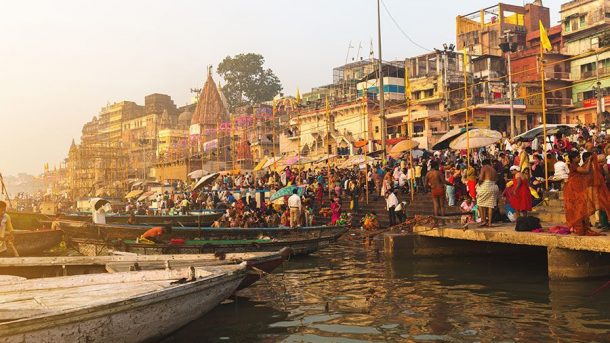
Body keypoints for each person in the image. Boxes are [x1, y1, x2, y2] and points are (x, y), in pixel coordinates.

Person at [564, 150, 610, 236]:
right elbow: (586, 171)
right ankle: (577, 227)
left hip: (576, 189)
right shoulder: (574, 165)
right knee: (578, 208)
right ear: (573, 159)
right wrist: (589, 160)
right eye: (577, 157)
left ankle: (581, 226)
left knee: (580, 208)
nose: (579, 158)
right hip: (572, 189)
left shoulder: (576, 165)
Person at [475, 159, 499, 227]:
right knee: (490, 205)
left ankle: (483, 221)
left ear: (483, 164)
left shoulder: (484, 167)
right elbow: (496, 179)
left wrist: (479, 183)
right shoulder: (493, 169)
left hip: (486, 186)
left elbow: (481, 178)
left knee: (479, 203)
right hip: (493, 186)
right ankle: (490, 223)